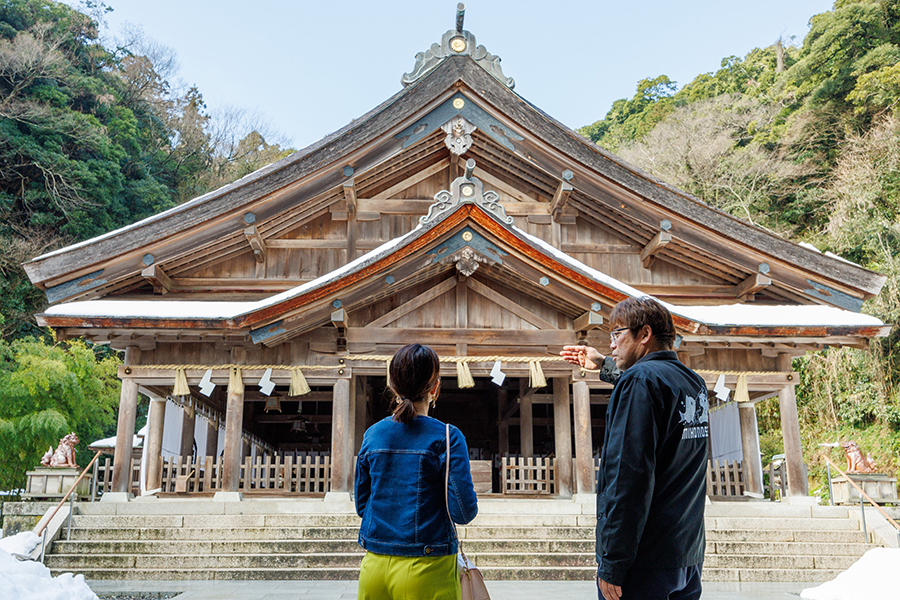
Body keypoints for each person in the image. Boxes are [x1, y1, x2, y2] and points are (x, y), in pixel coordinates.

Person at [561, 297, 709, 600]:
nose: (612, 344)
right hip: (686, 552)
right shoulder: (692, 382)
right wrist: (604, 365)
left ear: (644, 334)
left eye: (617, 334)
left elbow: (628, 477)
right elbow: (650, 386)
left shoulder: (639, 382)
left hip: (644, 559)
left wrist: (613, 562)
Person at [355, 343, 478, 600]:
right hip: (428, 566)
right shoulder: (447, 437)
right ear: (435, 388)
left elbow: (362, 505)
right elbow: (463, 512)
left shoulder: (372, 435)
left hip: (374, 565)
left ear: (391, 385)